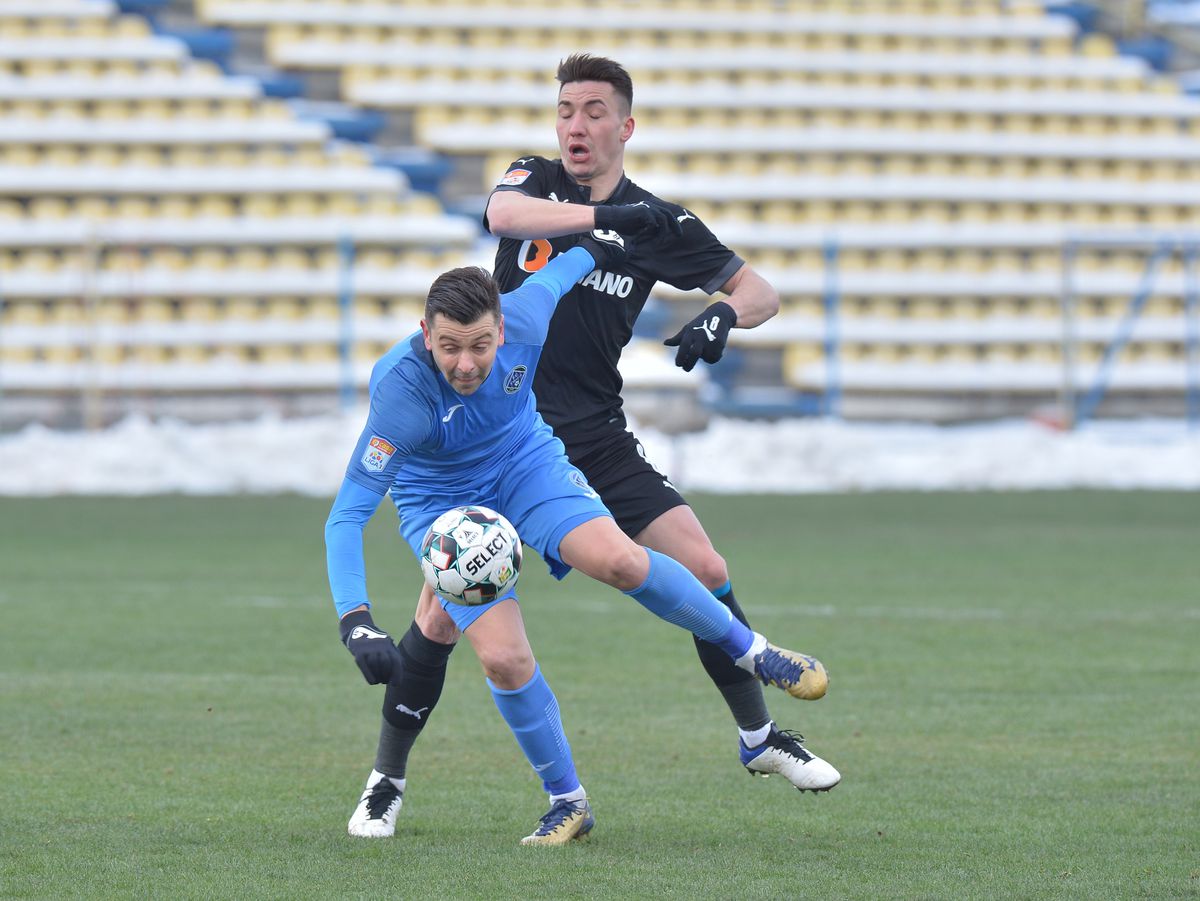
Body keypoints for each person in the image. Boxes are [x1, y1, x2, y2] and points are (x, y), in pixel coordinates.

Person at [354, 53, 841, 836]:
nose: (574, 126)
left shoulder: (656, 220)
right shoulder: (536, 182)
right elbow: (501, 216)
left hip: (592, 434)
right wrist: (598, 223)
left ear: (626, 126)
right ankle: (387, 778)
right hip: (498, 437)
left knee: (706, 566)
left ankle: (759, 737)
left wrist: (723, 315)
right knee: (442, 619)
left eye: (592, 112)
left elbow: (761, 292)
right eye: (565, 110)